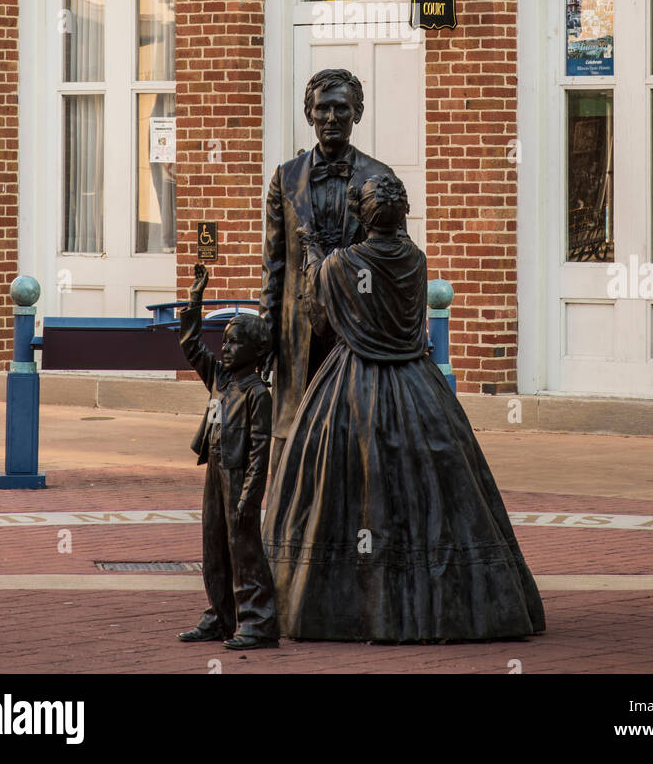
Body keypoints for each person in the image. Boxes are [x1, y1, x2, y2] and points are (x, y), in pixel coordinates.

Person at [262, 175, 546, 643]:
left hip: (352, 382)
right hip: (418, 385)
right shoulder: (416, 258)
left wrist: (314, 250)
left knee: (343, 487)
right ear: (403, 216)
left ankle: (341, 603)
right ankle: (432, 605)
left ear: (361, 216)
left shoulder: (342, 263)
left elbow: (320, 318)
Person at [259, 68, 400, 482]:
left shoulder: (380, 178)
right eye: (322, 109)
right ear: (309, 114)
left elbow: (392, 264)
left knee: (353, 434)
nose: (331, 118)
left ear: (357, 113)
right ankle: (282, 529)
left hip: (355, 330)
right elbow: (274, 266)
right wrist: (269, 335)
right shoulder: (285, 178)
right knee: (289, 436)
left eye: (341, 108)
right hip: (297, 331)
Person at [177, 264, 279, 650]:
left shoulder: (257, 394)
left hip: (238, 476)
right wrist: (195, 300)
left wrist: (249, 497)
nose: (225, 347)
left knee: (244, 550)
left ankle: (258, 622)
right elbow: (190, 345)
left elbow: (259, 449)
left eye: (234, 343)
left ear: (255, 351)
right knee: (214, 545)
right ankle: (220, 616)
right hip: (215, 470)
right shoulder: (220, 378)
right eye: (225, 340)